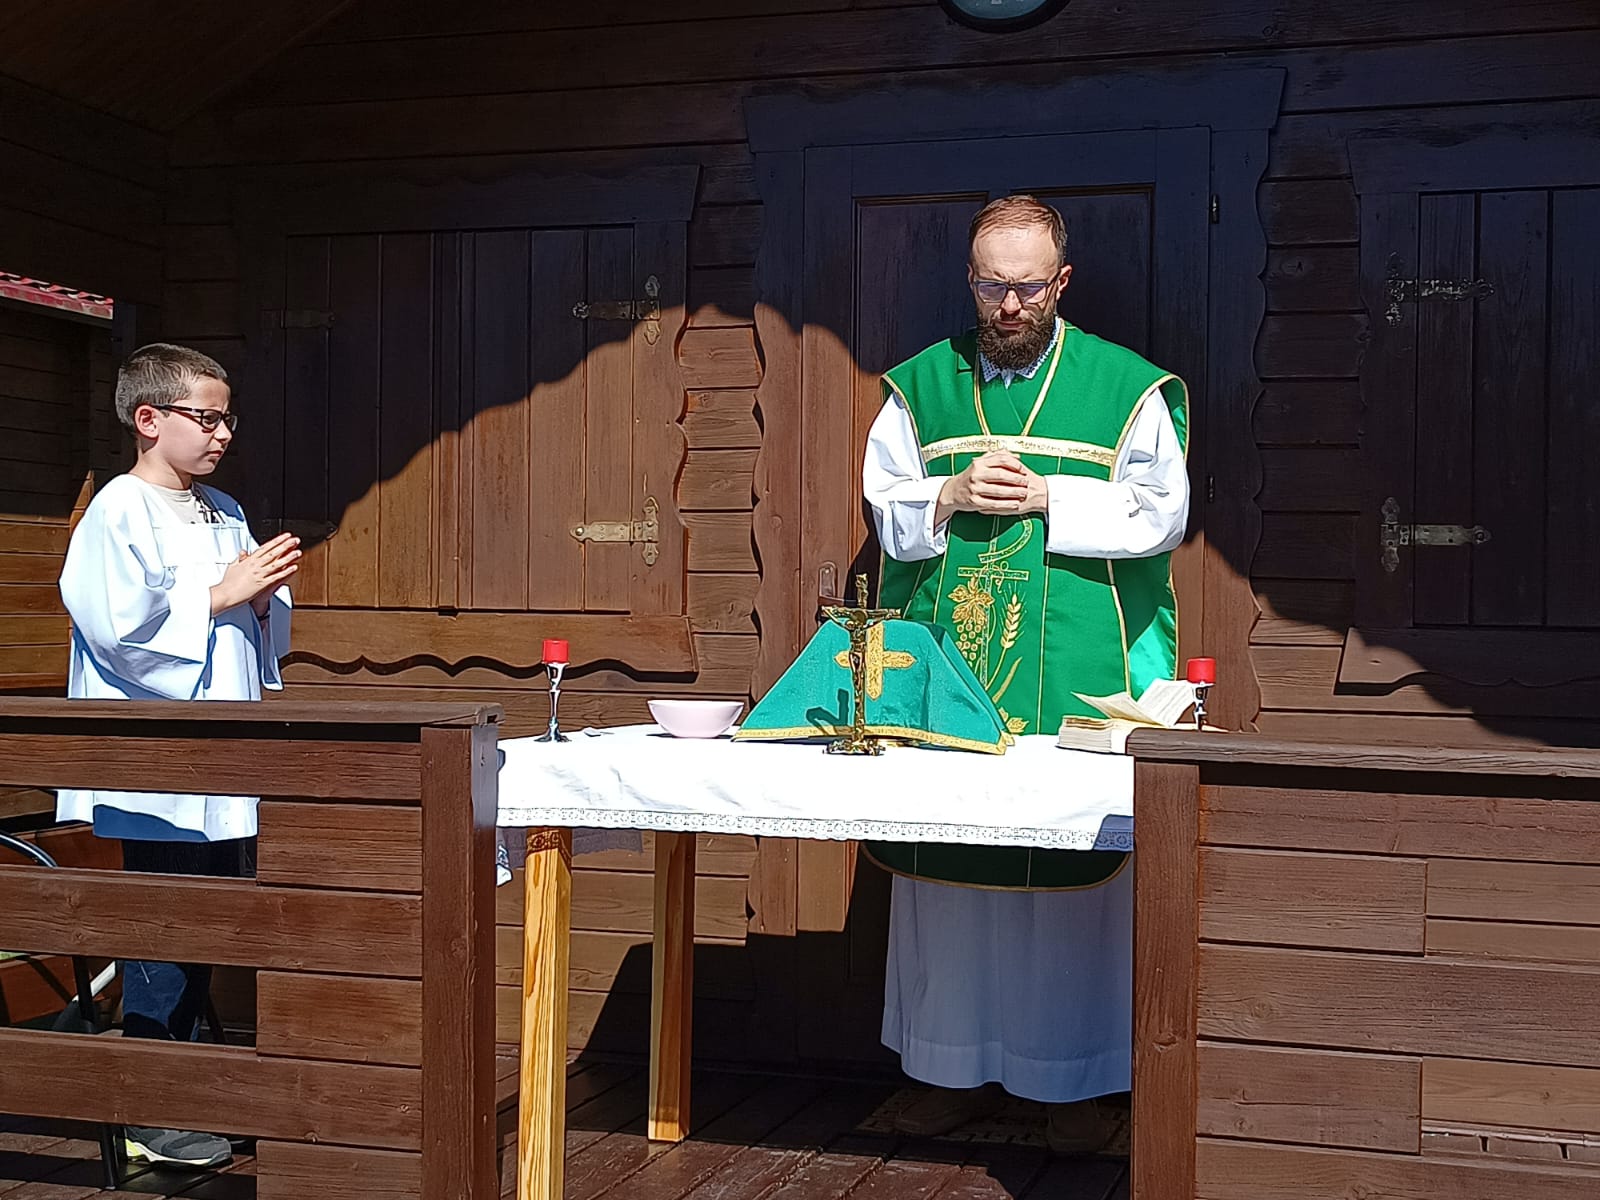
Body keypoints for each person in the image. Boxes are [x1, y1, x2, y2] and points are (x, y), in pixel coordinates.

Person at [861, 195, 1189, 1152]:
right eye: (991, 285)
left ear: (1062, 282)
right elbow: (886, 508)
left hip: (1074, 679)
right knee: (950, 887)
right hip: (951, 672)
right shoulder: (920, 386)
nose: (1009, 305)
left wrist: (1052, 496)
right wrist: (948, 493)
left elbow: (1162, 514)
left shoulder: (1124, 388)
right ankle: (945, 1070)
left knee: (1070, 884)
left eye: (1028, 287)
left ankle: (1074, 1084)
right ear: (970, 281)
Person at [57, 343, 299, 1169]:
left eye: (229, 418)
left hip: (225, 757)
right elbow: (118, 630)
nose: (224, 433)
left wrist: (261, 600)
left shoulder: (223, 509)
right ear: (148, 419)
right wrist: (223, 593)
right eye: (207, 417)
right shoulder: (117, 511)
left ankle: (199, 1089)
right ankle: (151, 1109)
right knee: (164, 928)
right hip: (158, 764)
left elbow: (254, 623)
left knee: (214, 925)